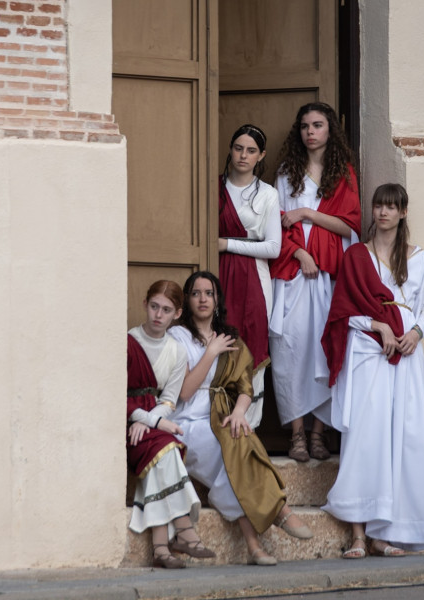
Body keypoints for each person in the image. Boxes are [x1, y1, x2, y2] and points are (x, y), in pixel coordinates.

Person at [321, 183, 424, 558]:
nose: (383, 212)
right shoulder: (358, 255)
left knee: (401, 441)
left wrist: (416, 334)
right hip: (367, 351)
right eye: (378, 206)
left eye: (391, 207)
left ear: (403, 212)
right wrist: (380, 326)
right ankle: (358, 534)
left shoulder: (417, 257)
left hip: (406, 355)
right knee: (367, 439)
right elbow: (342, 310)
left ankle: (383, 535)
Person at [169, 271, 313, 566]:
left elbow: (245, 387)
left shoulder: (230, 338)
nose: (203, 299)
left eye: (209, 293)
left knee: (236, 445)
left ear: (217, 299)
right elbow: (184, 392)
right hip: (186, 424)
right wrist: (210, 353)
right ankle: (278, 510)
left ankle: (254, 546)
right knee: (234, 454)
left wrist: (238, 412)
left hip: (220, 419)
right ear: (188, 299)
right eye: (196, 293)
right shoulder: (178, 336)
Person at [269, 102, 361, 462]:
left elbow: (349, 226)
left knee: (326, 348)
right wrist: (298, 254)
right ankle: (296, 435)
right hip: (294, 272)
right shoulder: (285, 172)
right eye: (305, 125)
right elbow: (275, 223)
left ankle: (319, 433)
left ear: (329, 130)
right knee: (291, 350)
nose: (311, 131)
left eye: (318, 125)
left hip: (328, 275)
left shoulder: (344, 175)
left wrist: (307, 212)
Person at [127, 280, 215, 569]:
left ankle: (161, 548)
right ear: (145, 305)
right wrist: (148, 420)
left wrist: (153, 421)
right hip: (126, 423)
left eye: (166, 310)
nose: (158, 315)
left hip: (153, 423)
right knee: (167, 448)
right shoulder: (128, 342)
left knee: (163, 451)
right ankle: (184, 530)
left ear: (177, 314)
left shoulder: (176, 351)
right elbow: (115, 397)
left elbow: (169, 399)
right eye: (154, 306)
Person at [218, 124, 281, 429]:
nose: (243, 155)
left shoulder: (268, 194)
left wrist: (227, 244)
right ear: (230, 149)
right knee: (214, 343)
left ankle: (247, 427)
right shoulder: (213, 187)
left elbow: (273, 248)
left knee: (251, 342)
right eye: (238, 148)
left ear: (261, 156)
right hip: (215, 277)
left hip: (254, 278)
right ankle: (215, 422)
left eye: (251, 150)